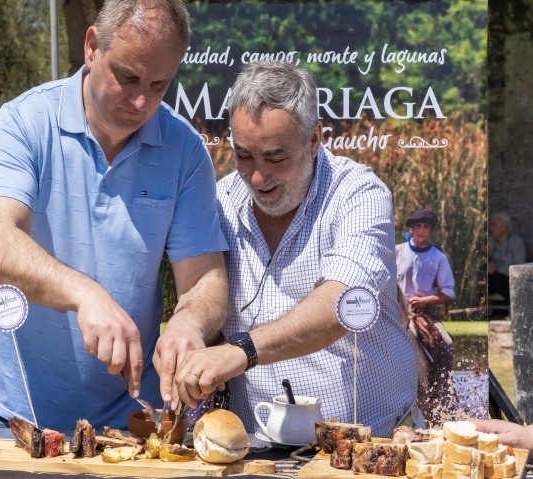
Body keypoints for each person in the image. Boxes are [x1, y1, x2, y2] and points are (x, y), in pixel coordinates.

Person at [0, 0, 229, 430]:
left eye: (159, 84)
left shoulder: (184, 150)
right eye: (127, 77)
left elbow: (207, 279)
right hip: (16, 410)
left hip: (130, 416)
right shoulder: (25, 120)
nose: (141, 99)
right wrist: (85, 294)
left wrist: (190, 320)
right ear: (92, 47)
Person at [172, 61, 420, 443]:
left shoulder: (359, 194)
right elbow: (203, 293)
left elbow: (342, 306)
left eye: (275, 158)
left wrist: (242, 351)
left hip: (372, 445)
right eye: (243, 156)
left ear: (314, 139)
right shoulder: (219, 202)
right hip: (256, 451)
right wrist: (188, 328)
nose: (257, 178)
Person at [396, 209, 457, 427]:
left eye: (426, 227)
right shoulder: (397, 251)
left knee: (447, 343)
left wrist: (425, 300)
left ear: (430, 230)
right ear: (412, 229)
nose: (422, 231)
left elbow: (448, 292)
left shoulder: (438, 257)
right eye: (418, 226)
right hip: (397, 311)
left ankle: (442, 390)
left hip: (423, 312)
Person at [488, 211, 526, 313]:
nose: (491, 228)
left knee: (498, 280)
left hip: (508, 279)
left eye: (494, 225)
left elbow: (519, 267)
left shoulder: (516, 242)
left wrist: (498, 269)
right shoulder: (490, 241)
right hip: (492, 279)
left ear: (504, 227)